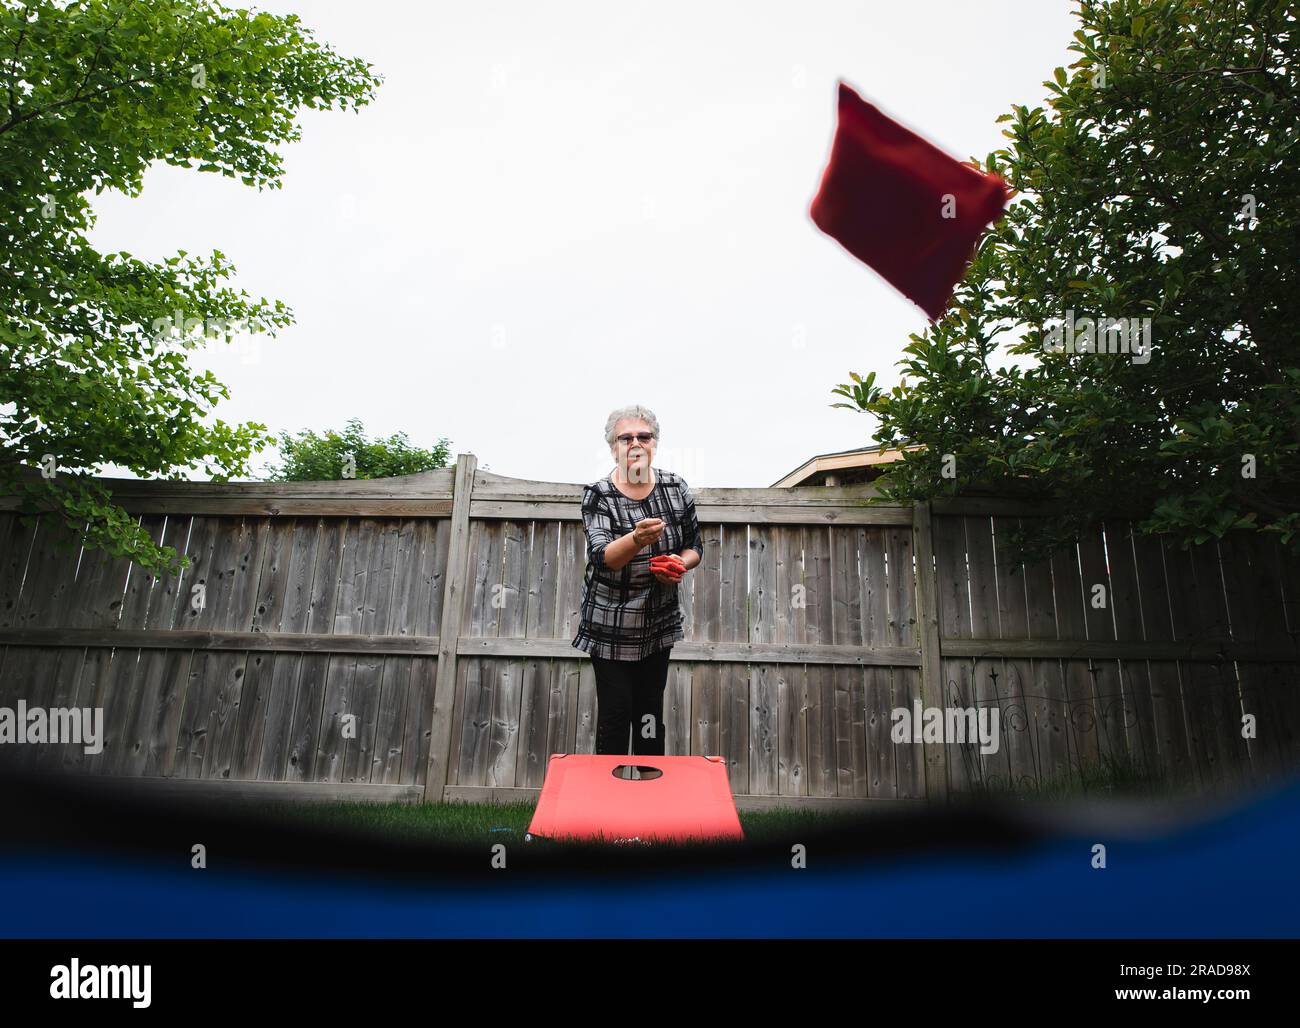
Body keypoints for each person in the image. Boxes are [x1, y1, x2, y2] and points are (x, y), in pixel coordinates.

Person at [571, 405, 702, 758]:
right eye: (625, 437)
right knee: (616, 715)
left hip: (658, 621)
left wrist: (679, 563)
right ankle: (606, 805)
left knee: (648, 715)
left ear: (654, 444)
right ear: (613, 447)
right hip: (610, 624)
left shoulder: (676, 488)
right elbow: (602, 558)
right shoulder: (599, 495)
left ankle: (648, 794)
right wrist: (637, 540)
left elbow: (695, 548)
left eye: (643, 436)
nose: (635, 443)